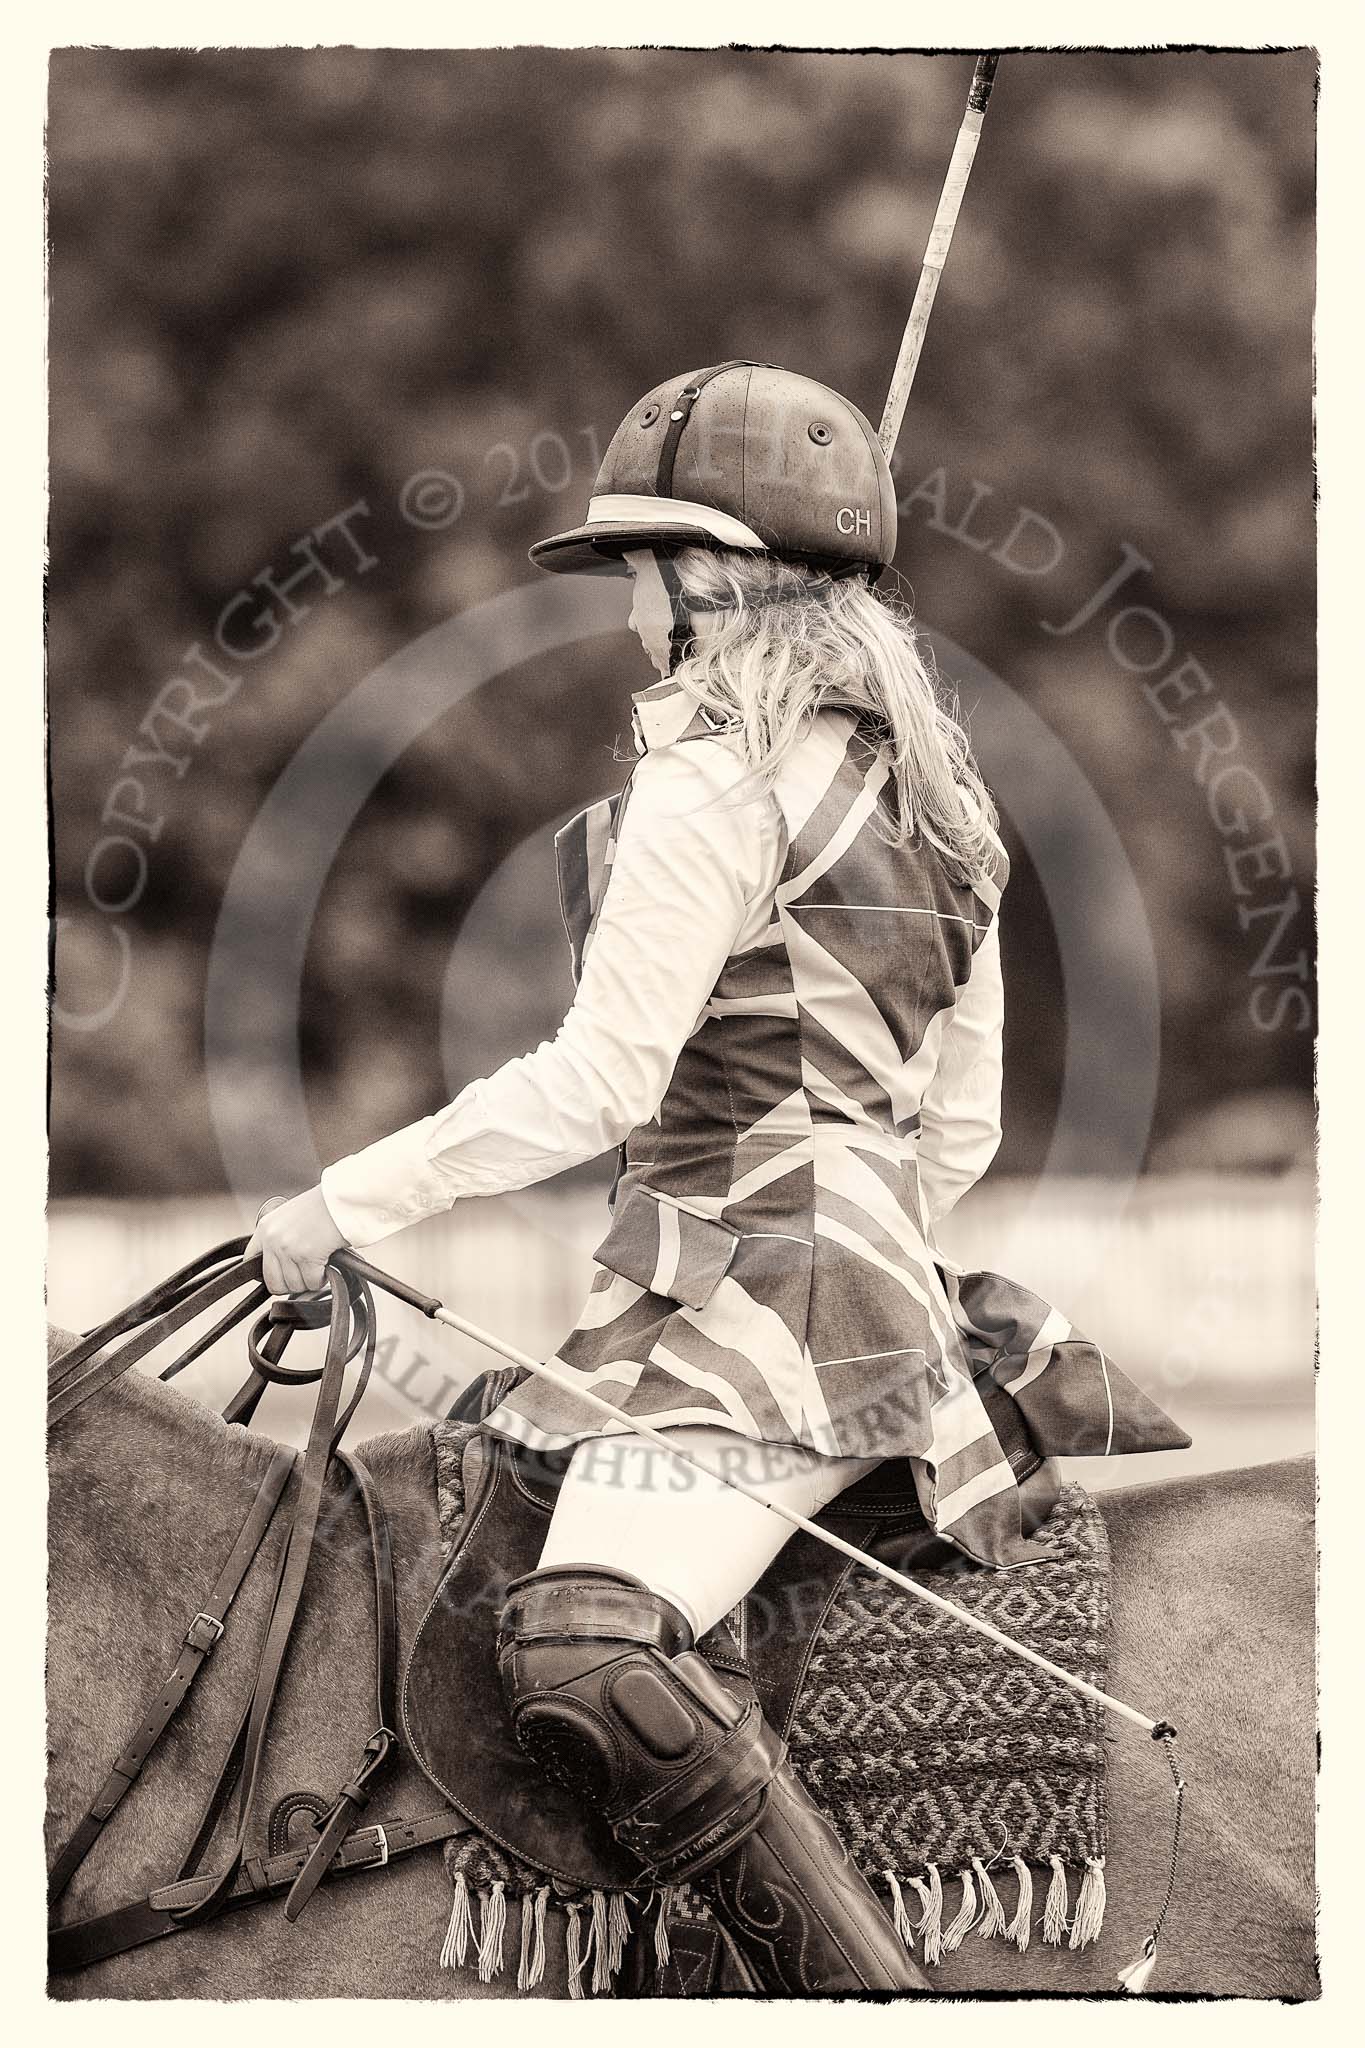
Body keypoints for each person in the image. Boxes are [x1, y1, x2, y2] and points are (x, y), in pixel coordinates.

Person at [246, 361, 1050, 1995]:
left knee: (584, 1643)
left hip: (764, 1315)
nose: (624, 602)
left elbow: (602, 1082)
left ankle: (863, 2007)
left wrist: (348, 1200)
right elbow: (952, 1133)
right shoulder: (943, 795)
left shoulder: (714, 776)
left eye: (634, 565)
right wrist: (863, 1259)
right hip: (861, 1290)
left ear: (701, 578)